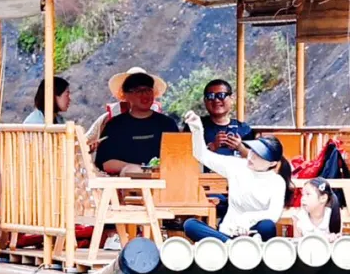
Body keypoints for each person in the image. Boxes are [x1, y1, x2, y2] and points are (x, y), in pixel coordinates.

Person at [180, 110, 290, 242]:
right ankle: (231, 245)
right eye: (252, 151)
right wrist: (197, 129)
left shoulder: (277, 182)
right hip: (229, 232)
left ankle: (237, 247)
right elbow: (202, 155)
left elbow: (273, 214)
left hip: (255, 234)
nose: (251, 157)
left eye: (259, 156)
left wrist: (247, 219)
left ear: (272, 163)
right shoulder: (236, 166)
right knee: (190, 225)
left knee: (267, 226)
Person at [94, 69, 179, 177]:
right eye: (138, 91)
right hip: (128, 185)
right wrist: (138, 170)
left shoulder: (167, 124)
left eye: (148, 90)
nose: (145, 94)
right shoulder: (115, 126)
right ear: (126, 95)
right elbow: (106, 163)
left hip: (164, 181)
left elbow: (179, 157)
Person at [199, 78, 254, 156]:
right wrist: (212, 147)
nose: (216, 100)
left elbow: (255, 159)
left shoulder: (244, 129)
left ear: (231, 98)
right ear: (205, 100)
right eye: (211, 96)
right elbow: (185, 155)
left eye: (221, 95)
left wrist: (240, 148)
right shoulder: (196, 127)